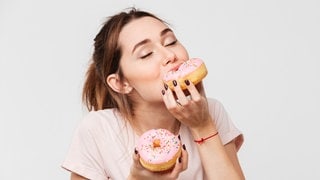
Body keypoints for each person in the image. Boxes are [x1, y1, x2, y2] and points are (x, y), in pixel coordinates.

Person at [62, 7, 245, 180]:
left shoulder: (211, 112)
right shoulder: (97, 130)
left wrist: (203, 126)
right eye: (146, 54)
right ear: (120, 83)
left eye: (171, 42)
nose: (169, 55)